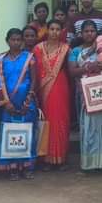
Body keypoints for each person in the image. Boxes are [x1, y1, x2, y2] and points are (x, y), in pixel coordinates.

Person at [0, 29, 38, 181]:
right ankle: (12, 168)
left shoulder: (29, 57)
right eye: (13, 40)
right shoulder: (0, 60)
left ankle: (27, 166)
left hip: (26, 102)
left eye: (19, 40)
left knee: (27, 133)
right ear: (7, 40)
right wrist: (5, 103)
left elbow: (34, 80)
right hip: (8, 103)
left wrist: (28, 100)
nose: (16, 42)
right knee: (9, 135)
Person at [70, 20, 102, 173]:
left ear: (96, 32)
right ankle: (90, 163)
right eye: (86, 31)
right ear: (81, 34)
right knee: (88, 128)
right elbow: (72, 71)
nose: (89, 34)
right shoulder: (75, 51)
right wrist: (89, 67)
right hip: (85, 94)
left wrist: (101, 66)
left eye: (92, 31)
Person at [33, 19, 71, 169]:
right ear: (47, 30)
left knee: (61, 121)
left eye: (57, 29)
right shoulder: (37, 48)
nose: (54, 32)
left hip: (61, 87)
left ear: (61, 31)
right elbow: (35, 71)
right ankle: (45, 158)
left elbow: (69, 70)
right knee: (45, 122)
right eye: (52, 29)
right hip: (43, 90)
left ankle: (60, 158)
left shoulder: (66, 49)